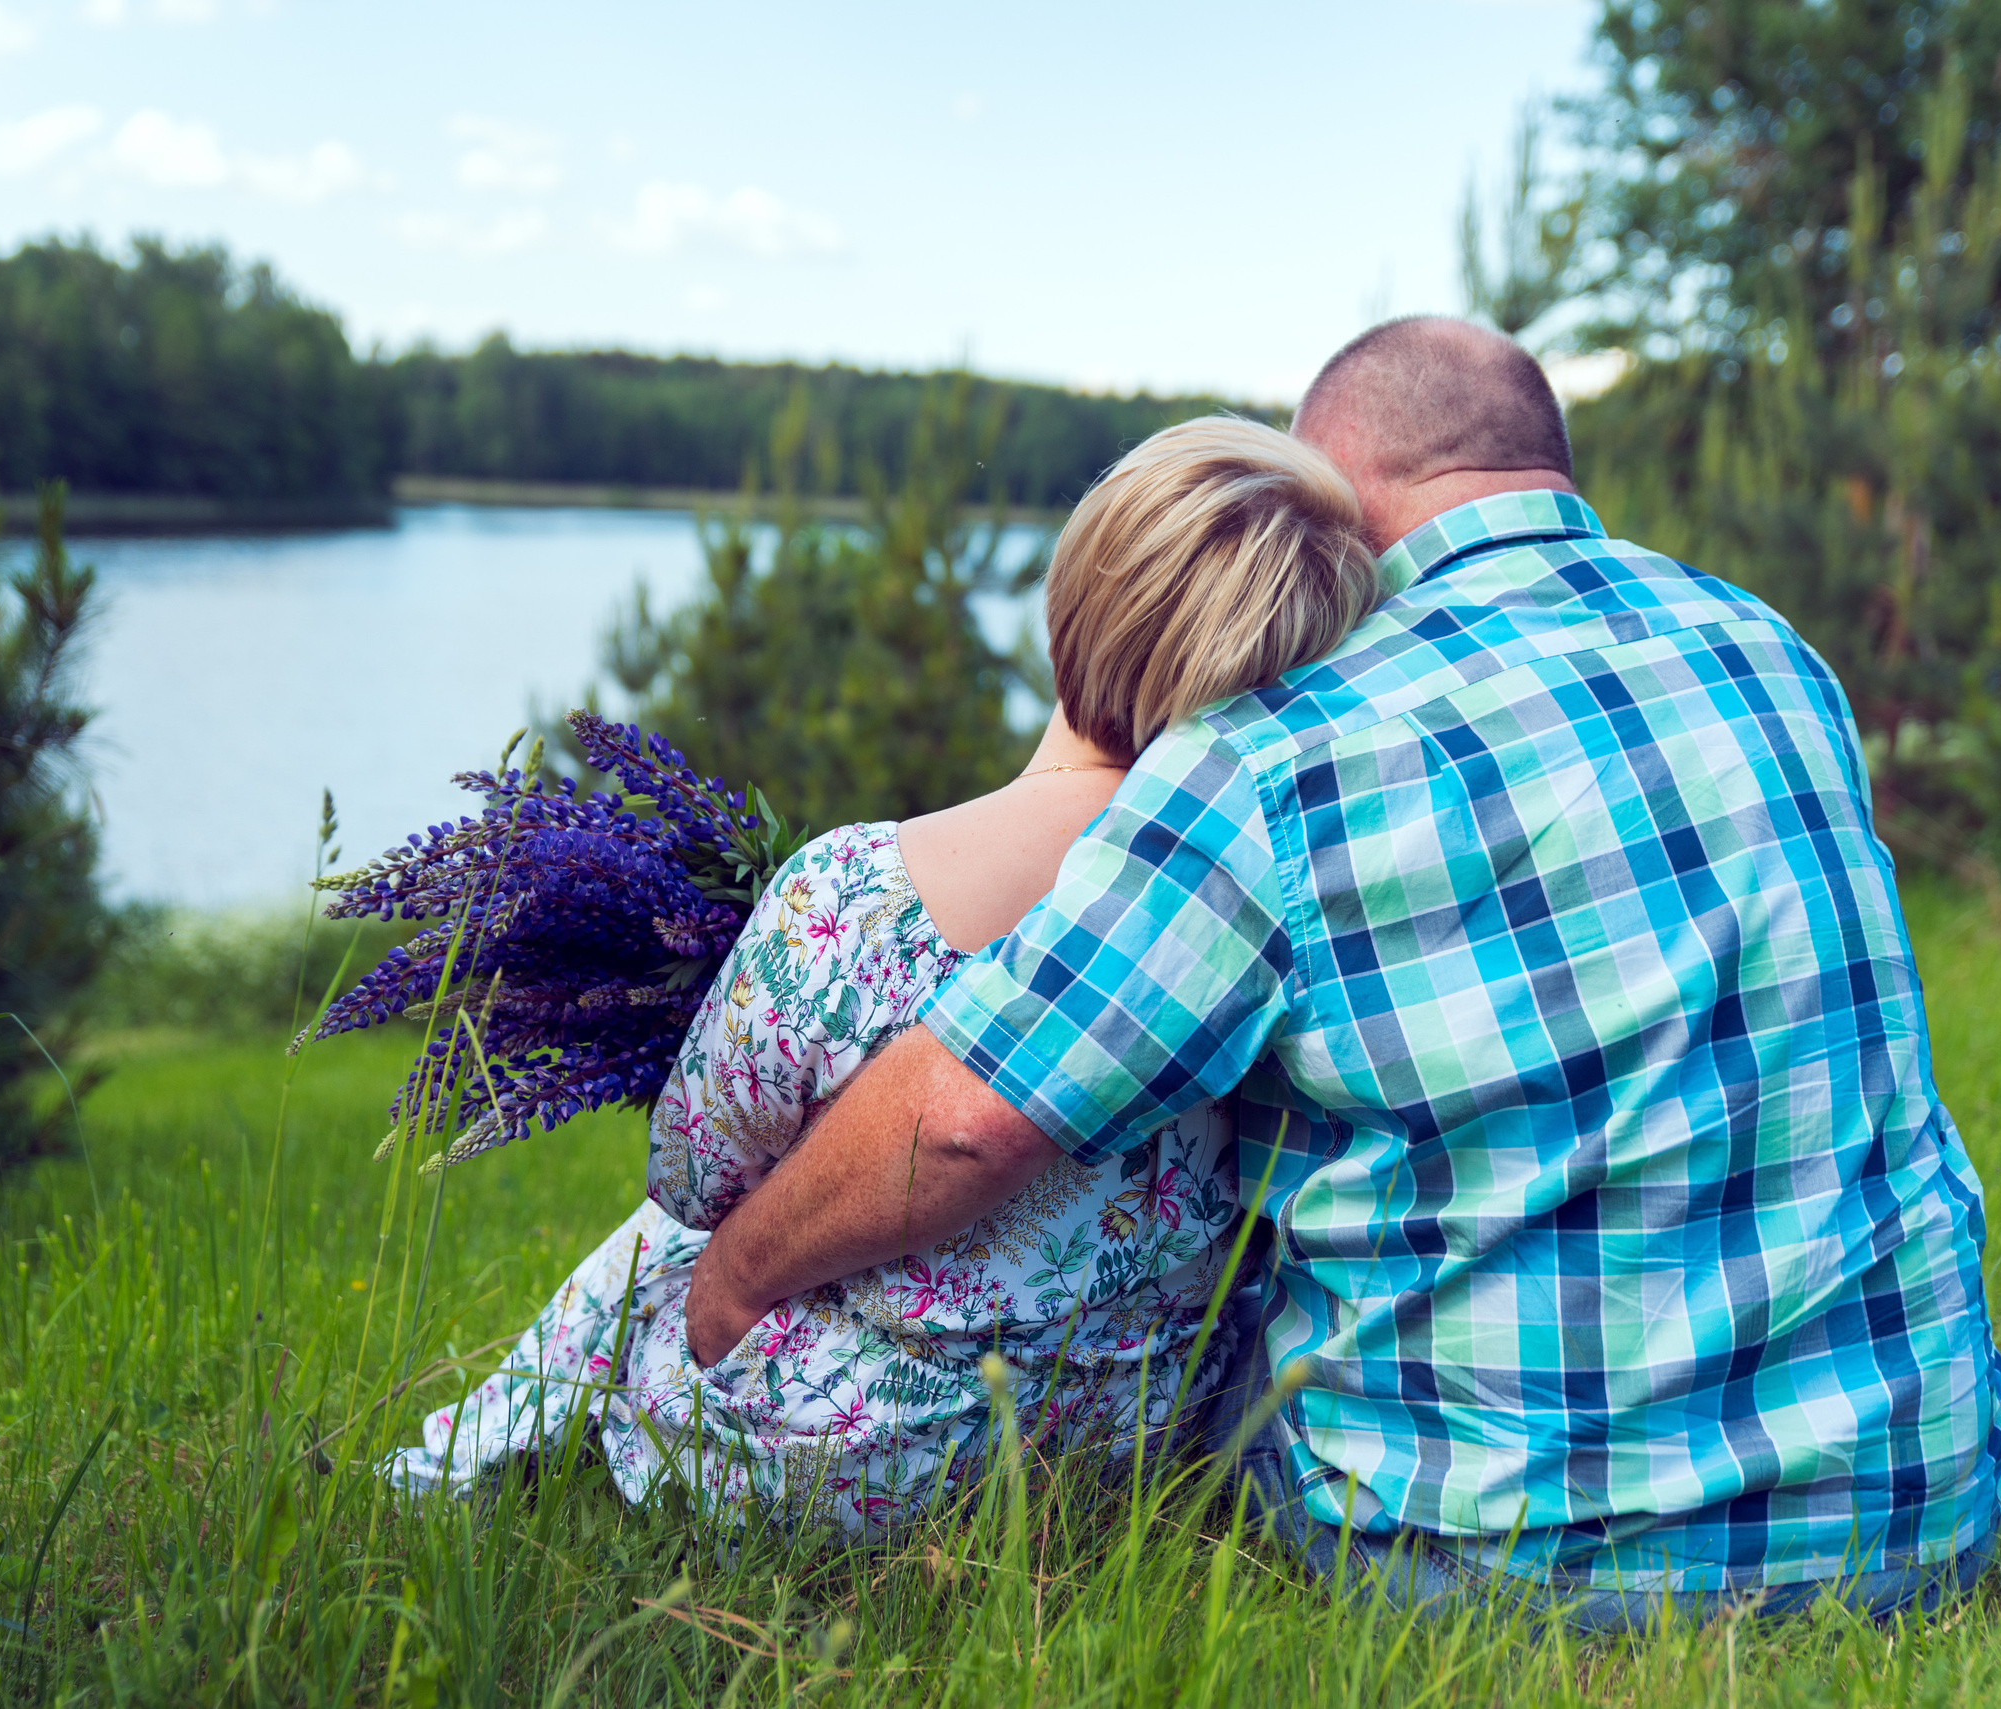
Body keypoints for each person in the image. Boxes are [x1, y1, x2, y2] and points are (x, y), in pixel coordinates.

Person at [681, 317, 2001, 1627]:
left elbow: (968, 1118)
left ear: (1334, 489)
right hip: (1917, 1511)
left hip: (1502, 1564)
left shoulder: (1281, 750)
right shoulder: (1768, 649)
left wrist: (737, 1272)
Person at [384, 417, 1383, 1529]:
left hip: (853, 1452)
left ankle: (443, 1475)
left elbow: (694, 1176)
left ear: (1076, 594)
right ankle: (459, 1466)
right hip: (1134, 1441)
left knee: (658, 1239)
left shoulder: (853, 888)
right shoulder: (1273, 905)